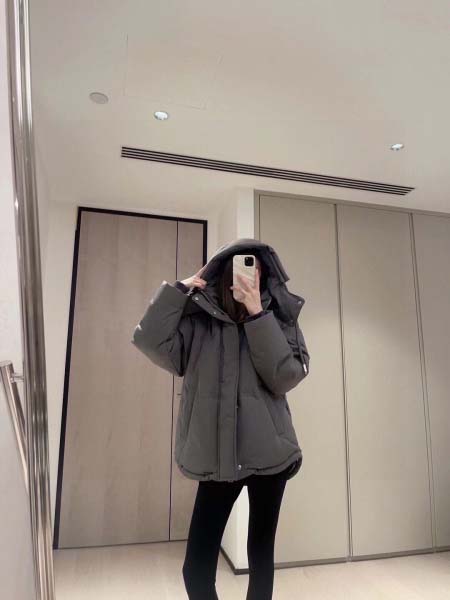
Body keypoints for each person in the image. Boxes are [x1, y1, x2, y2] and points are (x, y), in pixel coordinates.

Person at [131, 238, 310, 600]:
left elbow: (286, 377)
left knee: (260, 556)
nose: (249, 275)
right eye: (241, 267)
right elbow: (148, 341)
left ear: (265, 276)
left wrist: (258, 315)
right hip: (216, 459)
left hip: (270, 456)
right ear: (222, 274)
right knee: (196, 570)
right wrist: (176, 292)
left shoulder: (279, 319)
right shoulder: (197, 323)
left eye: (257, 270)